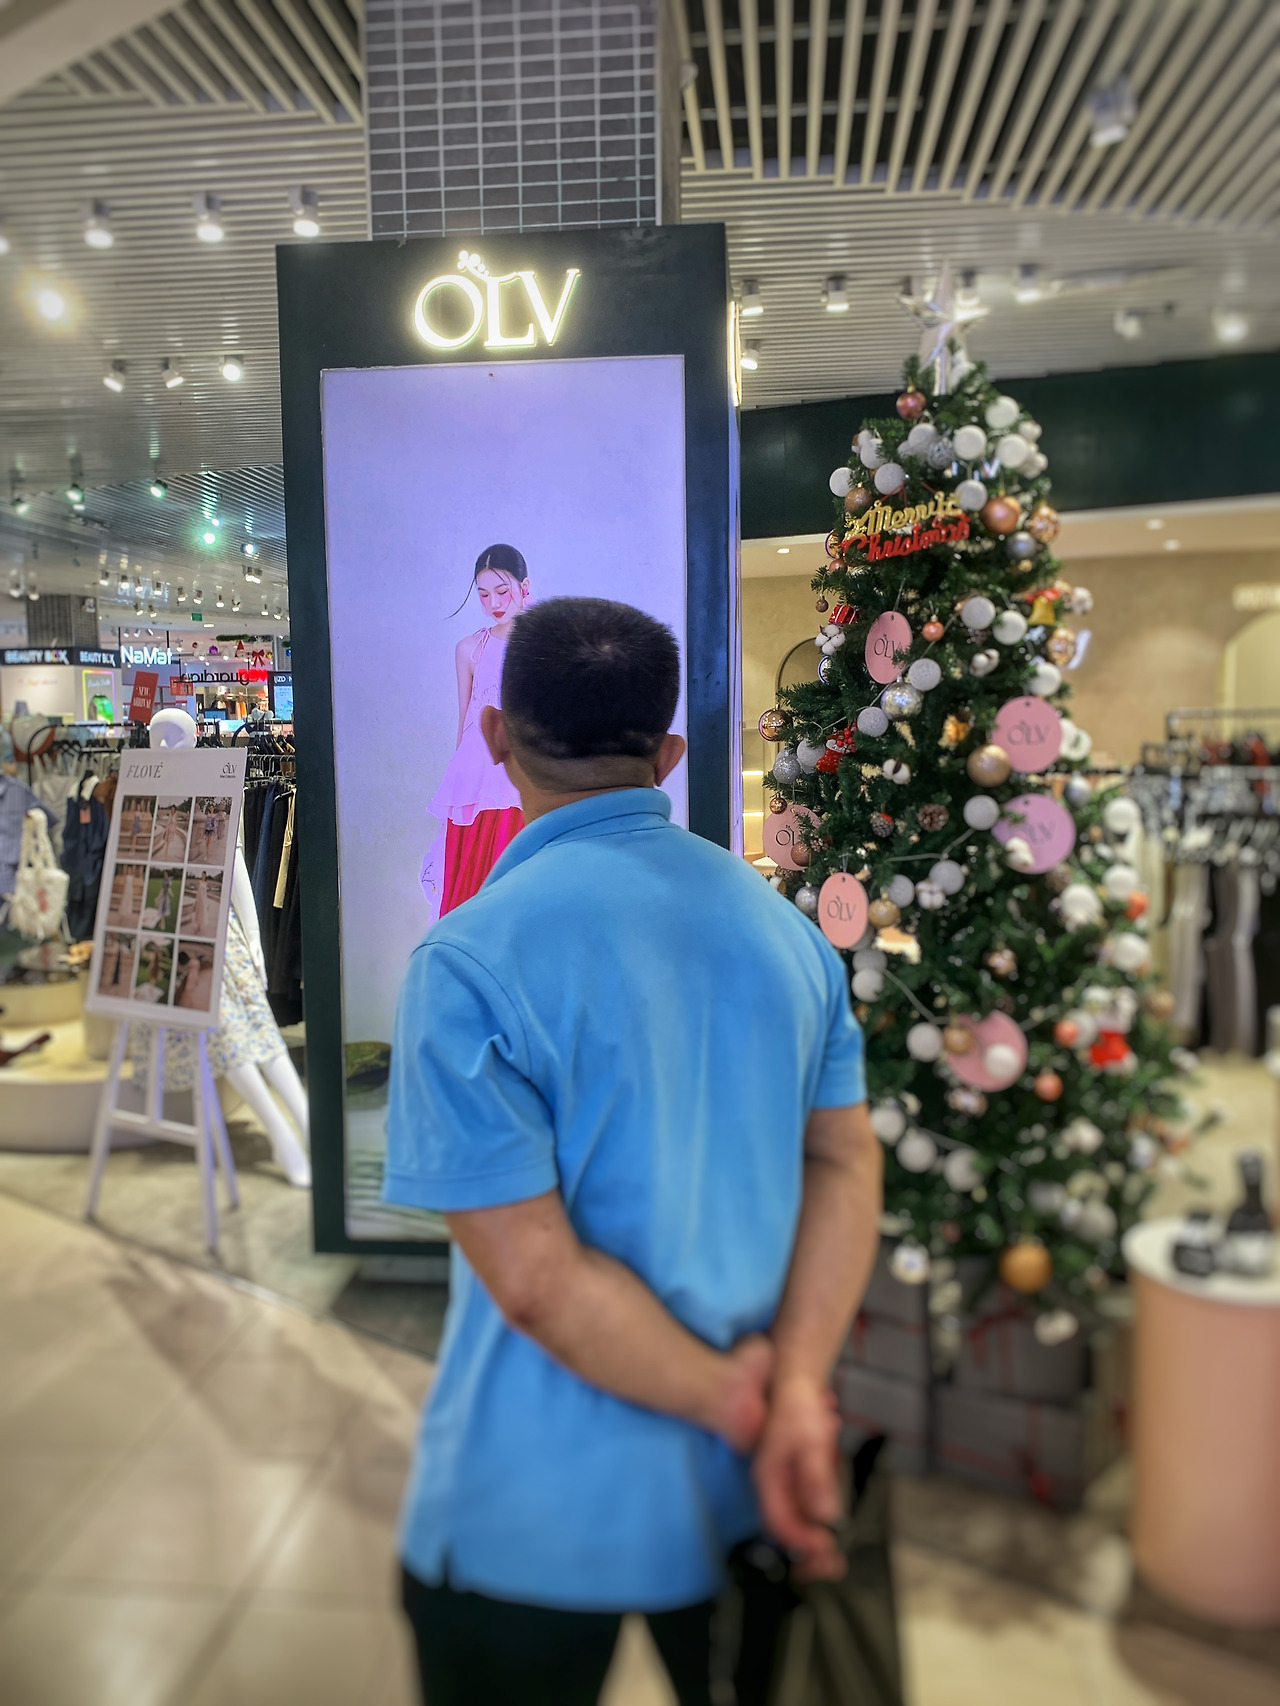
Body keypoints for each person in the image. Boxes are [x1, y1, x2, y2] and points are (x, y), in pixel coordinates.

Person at [386, 597, 882, 1706]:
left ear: (497, 734)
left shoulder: (465, 962)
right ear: (668, 752)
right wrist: (792, 1391)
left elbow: (534, 1278)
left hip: (531, 1502)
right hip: (743, 1491)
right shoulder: (788, 936)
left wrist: (738, 1400)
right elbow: (846, 1163)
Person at [419, 544, 530, 920]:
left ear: (524, 587)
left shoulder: (546, 648)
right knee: (468, 890)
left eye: (502, 591)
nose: (493, 603)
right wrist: (456, 789)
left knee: (514, 890)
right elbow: (465, 721)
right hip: (473, 782)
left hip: (522, 779)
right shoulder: (469, 648)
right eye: (484, 594)